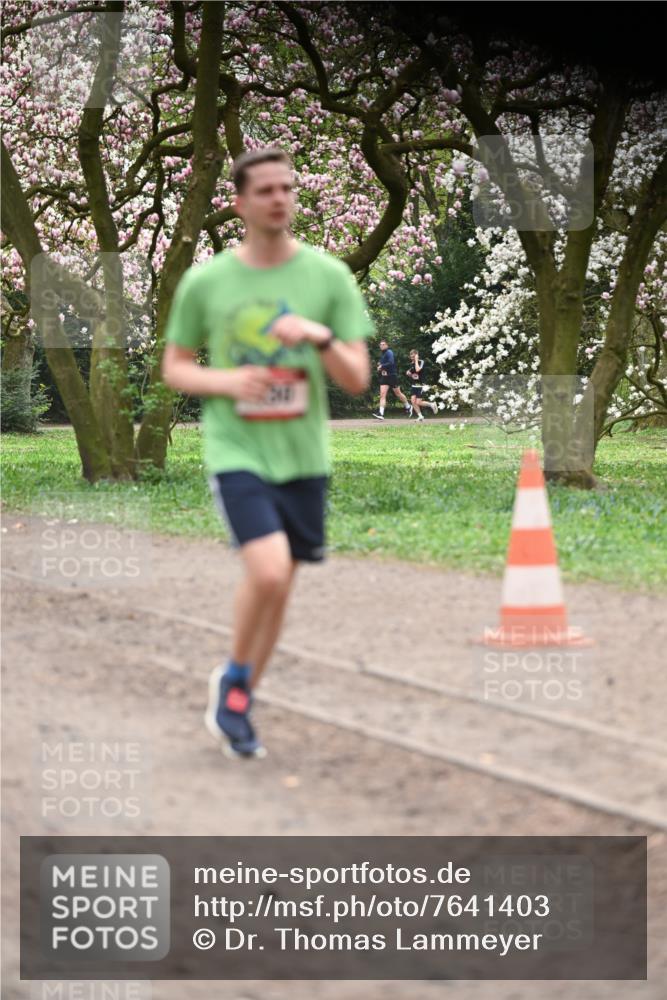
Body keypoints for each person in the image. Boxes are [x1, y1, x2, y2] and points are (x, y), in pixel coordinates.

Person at [161, 146, 373, 758]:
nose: (279, 198)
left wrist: (319, 334)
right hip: (237, 448)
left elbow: (357, 377)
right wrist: (228, 382)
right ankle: (234, 677)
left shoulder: (329, 278)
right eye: (265, 190)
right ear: (240, 203)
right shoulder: (208, 281)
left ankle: (239, 692)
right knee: (270, 569)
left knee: (283, 583)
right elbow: (176, 368)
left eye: (287, 187)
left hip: (303, 455)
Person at [372, 339, 412, 420]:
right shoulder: (382, 355)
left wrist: (382, 366)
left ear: (387, 345)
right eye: (380, 345)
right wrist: (380, 367)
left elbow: (391, 362)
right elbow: (382, 365)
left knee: (398, 394)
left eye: (383, 344)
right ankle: (381, 413)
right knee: (382, 395)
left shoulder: (389, 352)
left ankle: (408, 406)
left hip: (392, 376)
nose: (382, 346)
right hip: (384, 377)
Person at [406, 349, 438, 421]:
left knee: (418, 402)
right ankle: (420, 416)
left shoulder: (421, 362)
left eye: (414, 356)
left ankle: (431, 404)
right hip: (414, 385)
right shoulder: (412, 364)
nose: (412, 357)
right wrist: (409, 373)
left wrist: (416, 360)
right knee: (413, 401)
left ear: (417, 356)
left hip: (421, 385)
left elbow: (417, 370)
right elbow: (412, 373)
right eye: (411, 356)